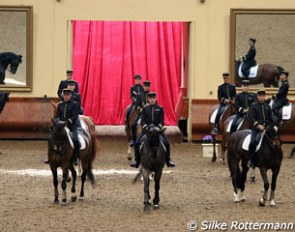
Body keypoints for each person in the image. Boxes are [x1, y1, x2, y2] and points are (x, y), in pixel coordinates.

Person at [130, 92, 175, 168]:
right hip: (147, 131)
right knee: (137, 143)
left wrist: (159, 127)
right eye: (150, 98)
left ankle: (168, 160)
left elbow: (162, 121)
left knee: (167, 143)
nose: (152, 100)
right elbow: (143, 121)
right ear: (148, 99)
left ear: (155, 99)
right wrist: (145, 127)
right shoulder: (145, 109)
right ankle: (137, 161)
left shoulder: (160, 108)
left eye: (153, 98)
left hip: (157, 131)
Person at [247, 89, 276, 168]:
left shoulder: (268, 106)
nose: (262, 97)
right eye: (260, 96)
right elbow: (251, 118)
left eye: (263, 96)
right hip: (256, 129)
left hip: (267, 129)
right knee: (253, 142)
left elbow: (271, 117)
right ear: (257, 97)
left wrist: (276, 121)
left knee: (274, 140)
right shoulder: (253, 106)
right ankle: (251, 159)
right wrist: (258, 125)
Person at [55, 88, 81, 165]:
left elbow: (75, 116)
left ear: (70, 95)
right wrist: (57, 121)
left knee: (76, 139)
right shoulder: (60, 105)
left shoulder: (75, 104)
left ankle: (77, 157)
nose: (66, 96)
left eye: (67, 95)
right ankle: (51, 156)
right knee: (52, 137)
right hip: (61, 126)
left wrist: (67, 122)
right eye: (64, 95)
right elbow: (57, 116)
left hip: (72, 126)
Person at [129, 80, 151, 146]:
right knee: (133, 125)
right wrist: (141, 109)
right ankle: (133, 139)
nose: (147, 87)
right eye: (145, 86)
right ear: (143, 86)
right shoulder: (139, 95)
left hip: (150, 115)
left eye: (148, 86)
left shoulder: (152, 95)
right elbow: (137, 106)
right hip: (141, 115)